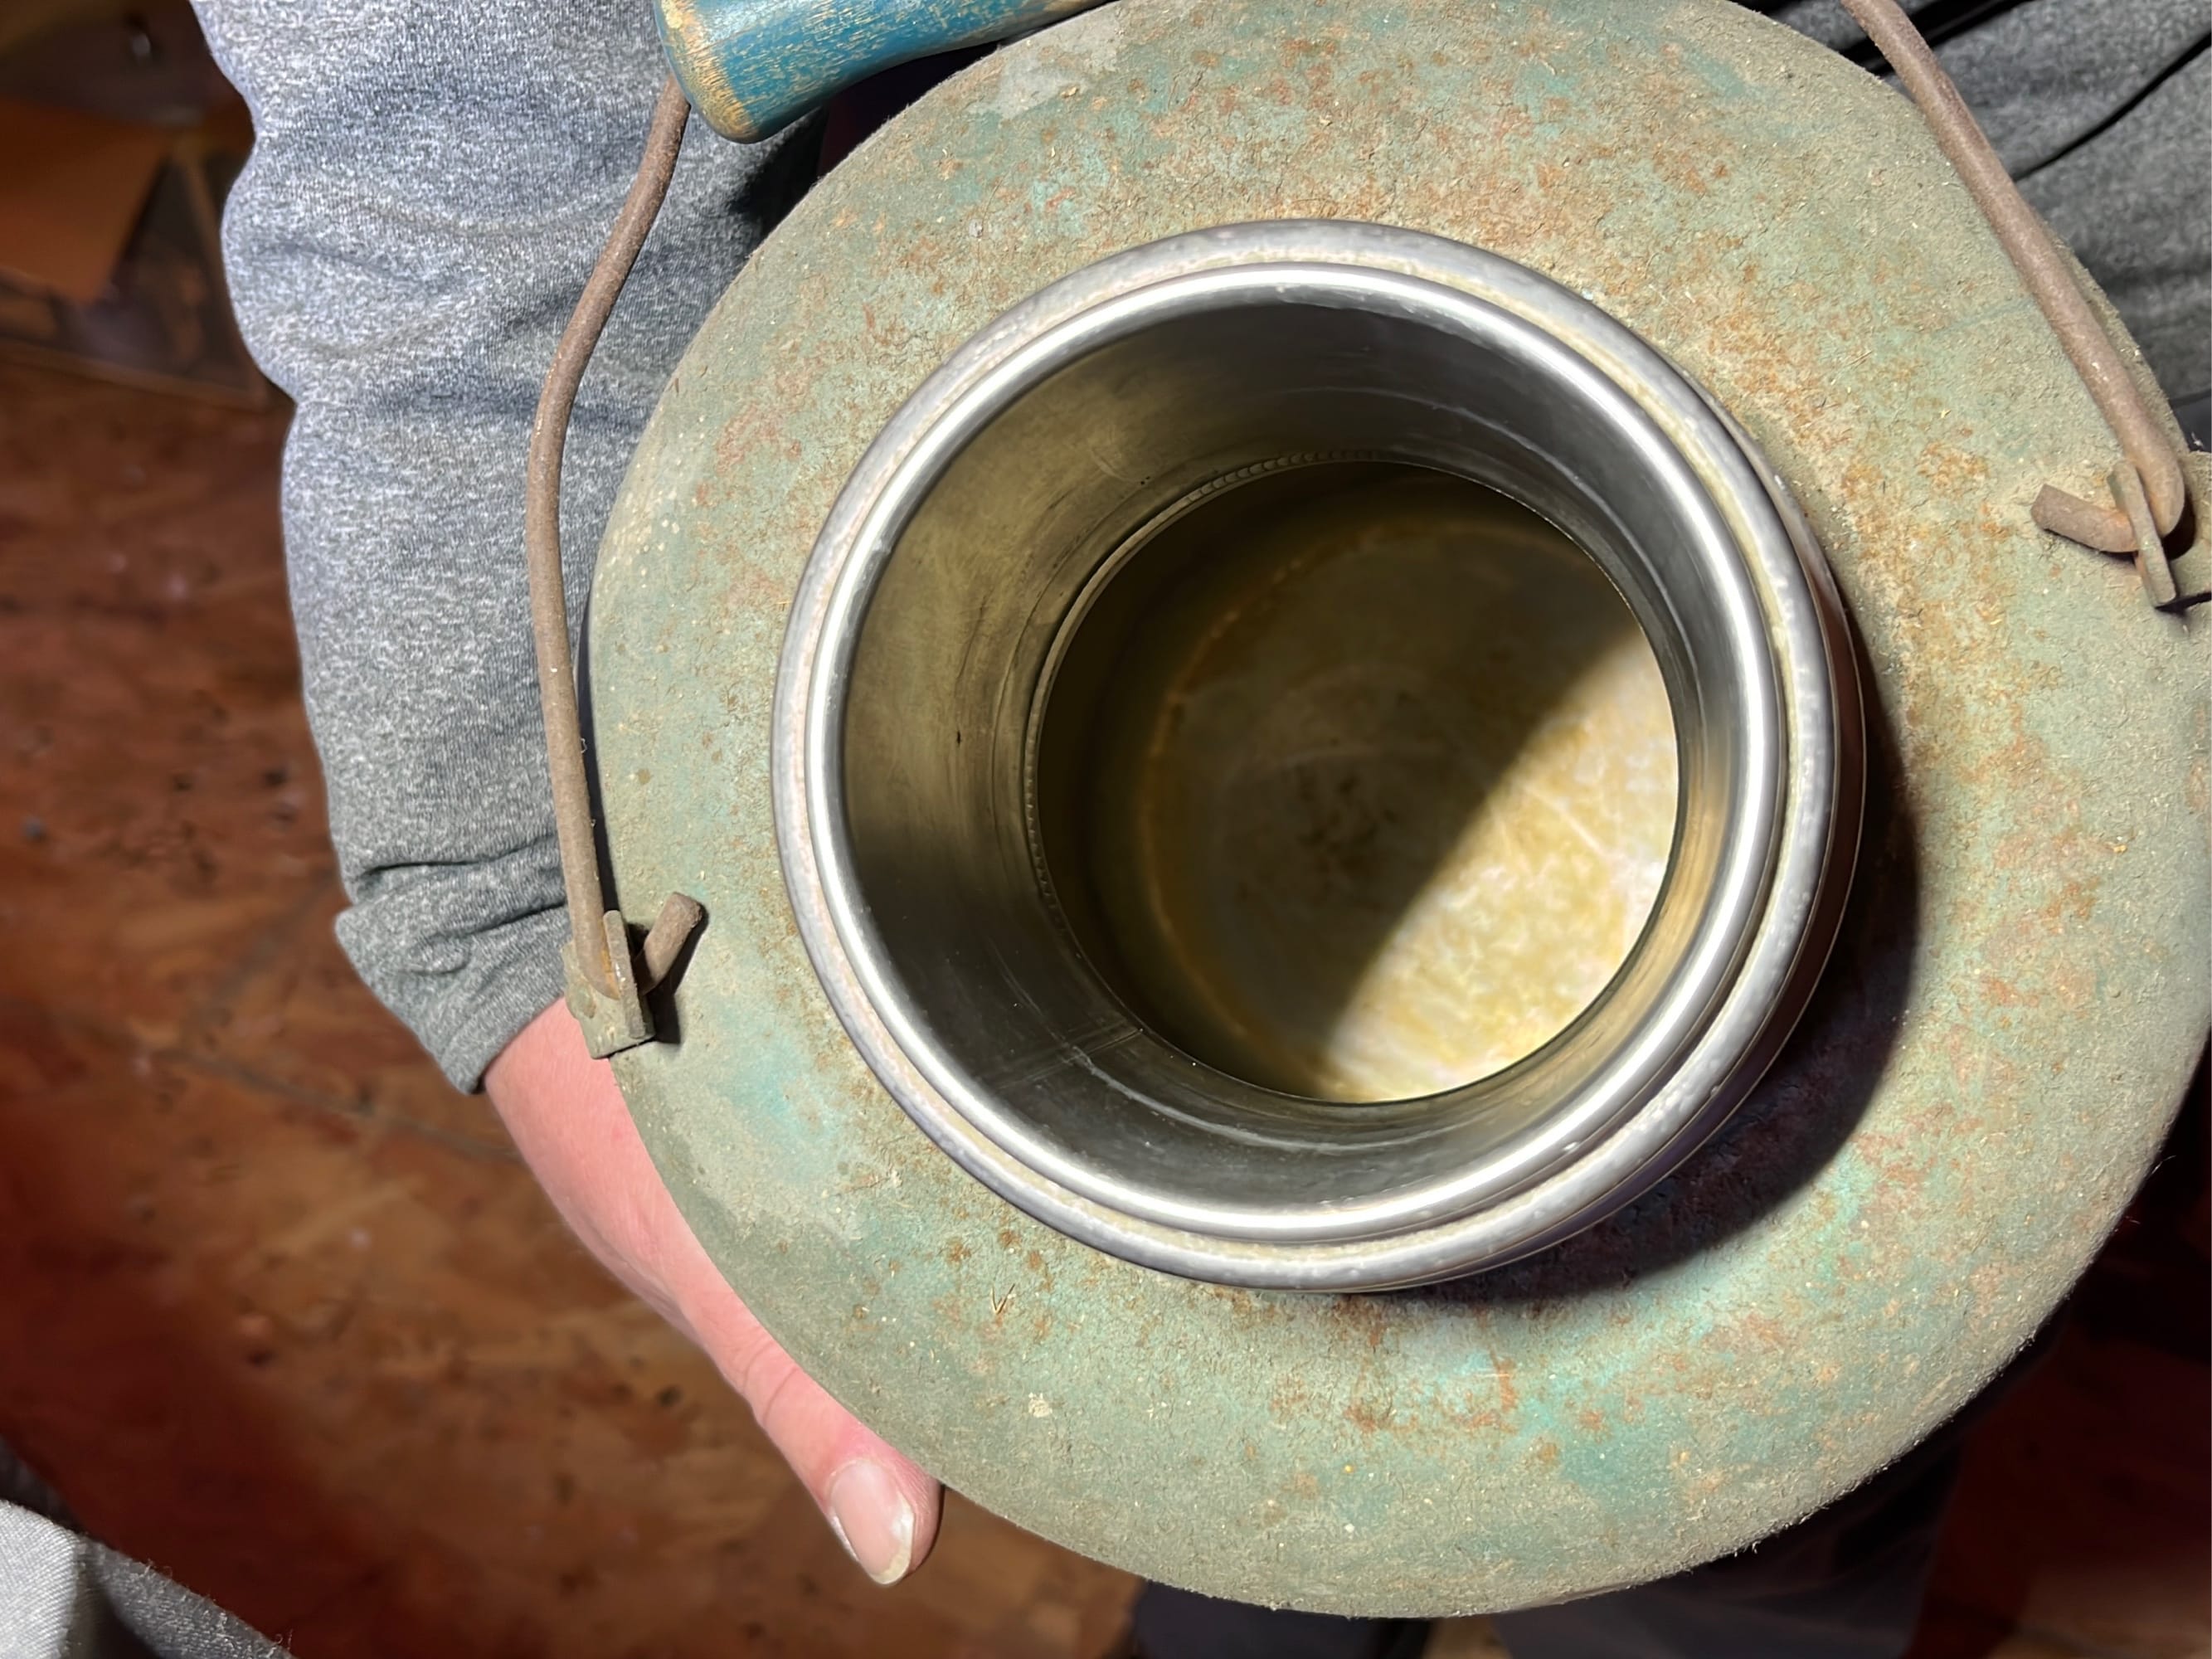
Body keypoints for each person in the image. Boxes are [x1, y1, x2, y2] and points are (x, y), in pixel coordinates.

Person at [5, 0, 2204, 1654]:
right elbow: (463, 160)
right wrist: (504, 858)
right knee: (1240, 1411)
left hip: (2013, 203)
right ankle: (1269, 1559)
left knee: (1758, 1504)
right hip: (1061, 203)